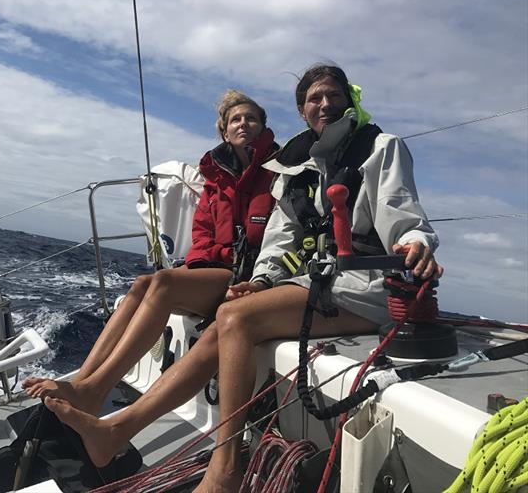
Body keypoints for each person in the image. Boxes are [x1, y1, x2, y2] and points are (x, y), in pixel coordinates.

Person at [44, 64, 444, 493]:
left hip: (364, 286)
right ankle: (117, 428)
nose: (325, 104)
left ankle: (226, 470)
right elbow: (280, 237)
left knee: (235, 319)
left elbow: (402, 210)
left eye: (333, 95)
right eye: (314, 99)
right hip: (314, 284)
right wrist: (261, 280)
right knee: (221, 323)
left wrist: (415, 242)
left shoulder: (381, 147)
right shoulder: (297, 164)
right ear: (302, 111)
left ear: (349, 100)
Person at [23, 89, 278, 419]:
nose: (244, 123)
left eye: (251, 118)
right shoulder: (216, 177)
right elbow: (201, 230)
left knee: (165, 283)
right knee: (145, 283)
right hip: (216, 267)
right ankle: (84, 379)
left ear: (262, 126)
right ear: (224, 130)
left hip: (250, 273)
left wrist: (220, 260)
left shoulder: (278, 171)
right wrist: (203, 263)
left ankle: (93, 391)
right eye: (236, 119)